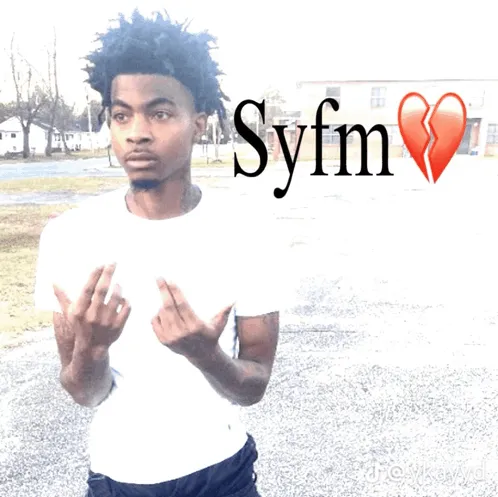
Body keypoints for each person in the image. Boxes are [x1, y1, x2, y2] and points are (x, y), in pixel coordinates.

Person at [34, 10, 281, 497]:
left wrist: (207, 356)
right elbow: (85, 393)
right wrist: (92, 347)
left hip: (222, 475)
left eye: (160, 113)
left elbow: (253, 387)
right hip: (118, 479)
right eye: (121, 115)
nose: (137, 132)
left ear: (199, 123)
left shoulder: (247, 230)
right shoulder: (69, 237)